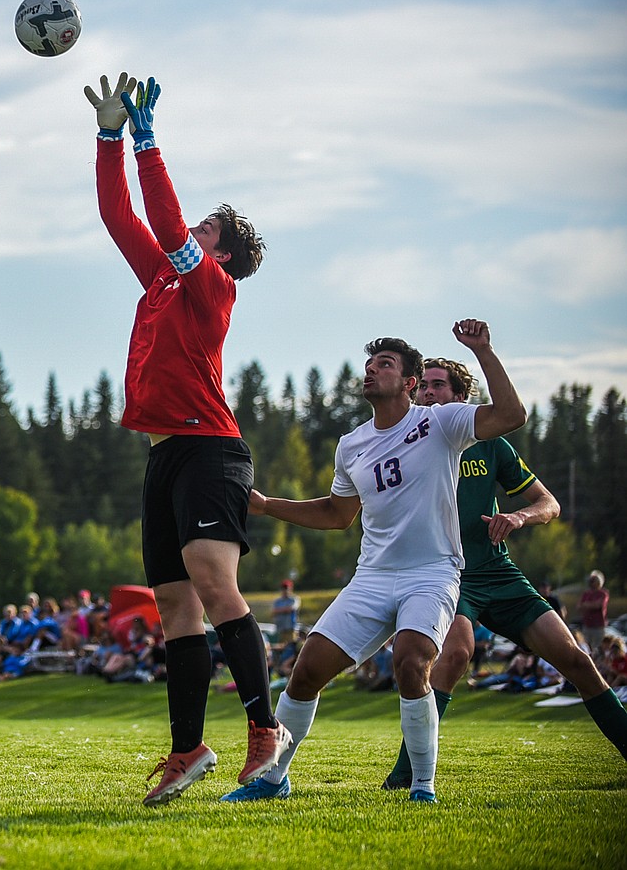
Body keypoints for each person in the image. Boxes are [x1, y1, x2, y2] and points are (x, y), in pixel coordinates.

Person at [223, 321, 527, 805]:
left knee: (410, 663)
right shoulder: (352, 444)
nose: (371, 371)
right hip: (373, 577)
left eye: (384, 364)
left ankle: (422, 787)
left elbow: (512, 414)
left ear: (410, 382)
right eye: (368, 364)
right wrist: (265, 504)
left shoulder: (441, 422)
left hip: (433, 573)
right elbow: (336, 514)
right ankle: (274, 780)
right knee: (305, 672)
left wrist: (485, 352)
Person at [84, 72, 283, 807]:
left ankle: (264, 729)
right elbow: (120, 219)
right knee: (175, 608)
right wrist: (108, 137)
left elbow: (163, 223)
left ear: (221, 257)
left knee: (209, 578)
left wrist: (147, 141)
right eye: (197, 227)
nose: (191, 232)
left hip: (211, 451)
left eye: (206, 231)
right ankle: (188, 747)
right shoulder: (161, 283)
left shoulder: (213, 287)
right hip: (166, 456)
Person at [381, 359, 627, 786]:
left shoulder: (491, 445)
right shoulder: (410, 441)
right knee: (456, 652)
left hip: (499, 573)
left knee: (577, 660)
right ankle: (405, 776)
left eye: (438, 387)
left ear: (461, 399)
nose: (427, 394)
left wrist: (518, 517)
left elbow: (549, 503)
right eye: (423, 388)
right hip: (448, 574)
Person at [577, 571, 610, 650]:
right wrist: (588, 605)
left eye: (593, 581)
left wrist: (586, 605)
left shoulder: (603, 593)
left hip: (598, 626)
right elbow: (579, 606)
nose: (591, 583)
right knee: (586, 647)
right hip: (587, 625)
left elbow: (598, 605)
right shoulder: (586, 594)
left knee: (598, 647)